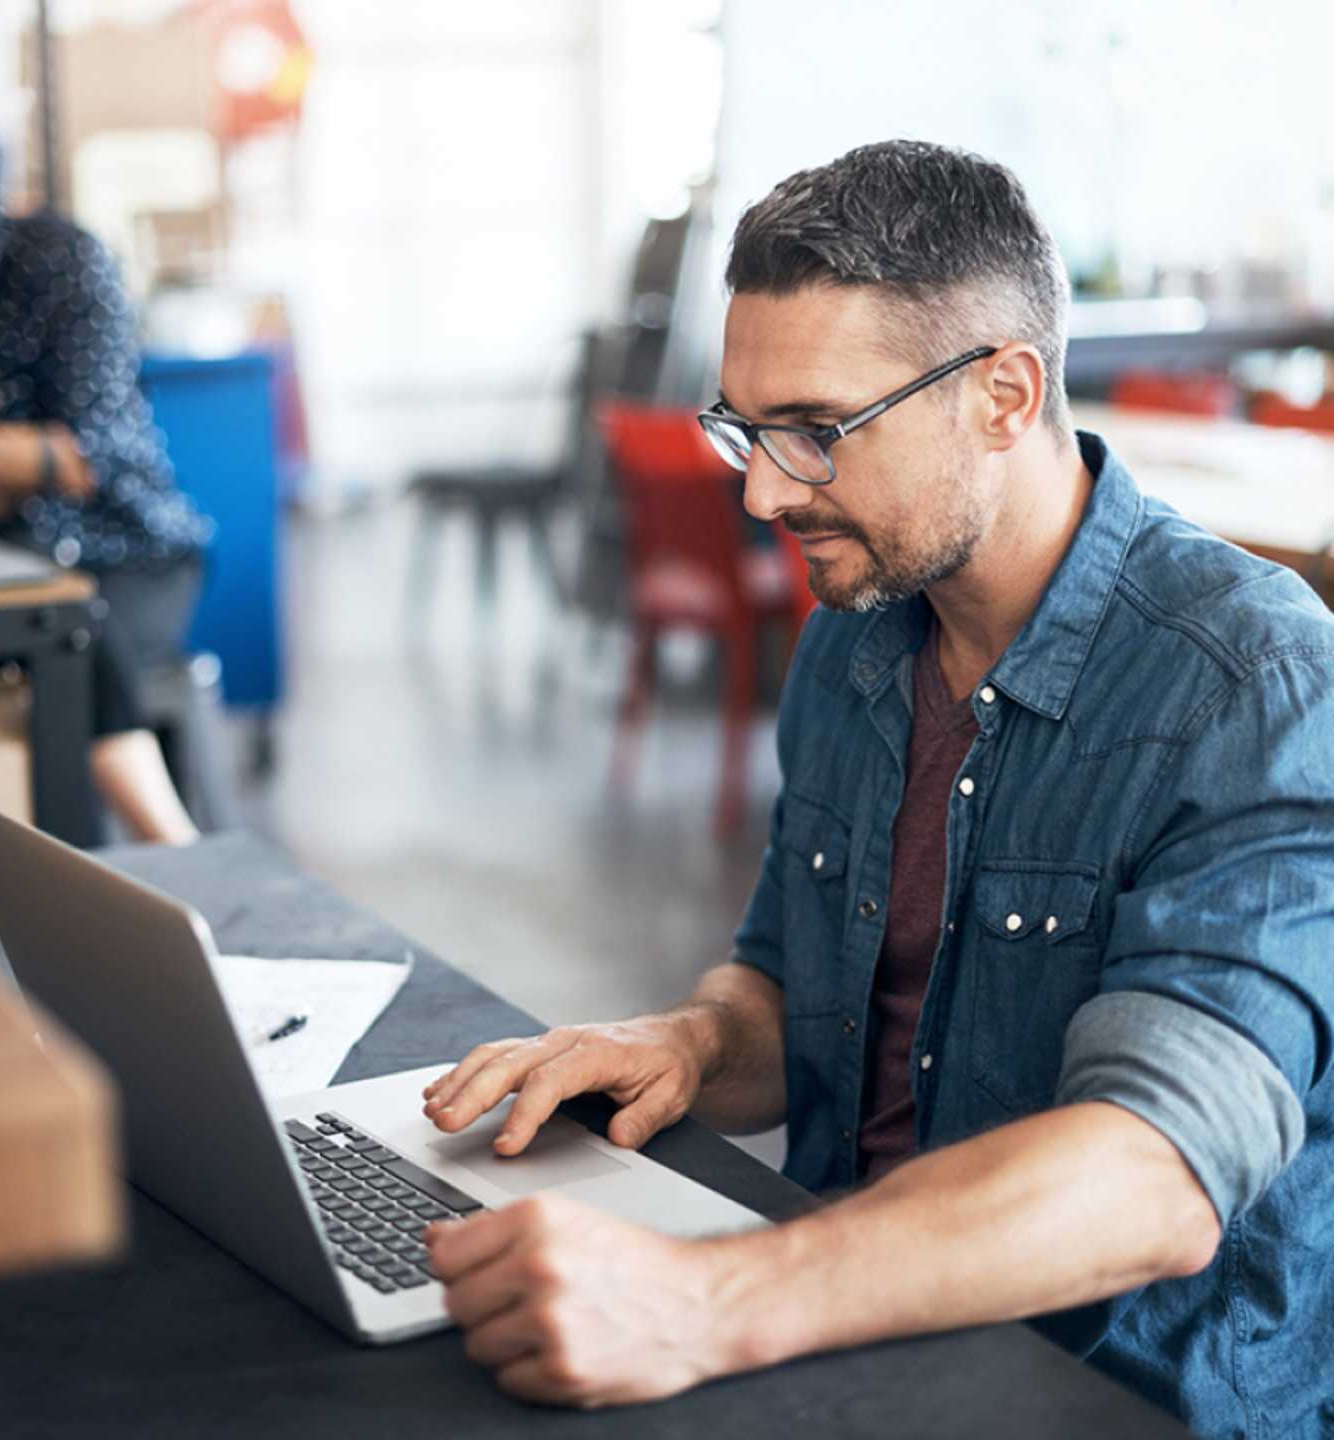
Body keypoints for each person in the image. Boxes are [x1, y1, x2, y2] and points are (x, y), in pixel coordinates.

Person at [416, 140, 1334, 1435]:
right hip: (848, 1330)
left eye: (815, 433)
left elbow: (1155, 1173)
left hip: (1108, 1390)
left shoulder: (1256, 683)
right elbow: (793, 984)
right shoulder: (863, 631)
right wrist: (683, 1041)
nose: (761, 489)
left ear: (1006, 396)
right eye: (744, 425)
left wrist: (705, 1301)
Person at [0, 81, 207, 843]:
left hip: (115, 547)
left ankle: (168, 852)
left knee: (62, 616)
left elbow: (87, 460)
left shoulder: (56, 259)